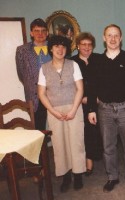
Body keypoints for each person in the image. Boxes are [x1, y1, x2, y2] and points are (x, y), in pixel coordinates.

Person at [88, 24, 125, 193]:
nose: (112, 39)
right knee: (108, 146)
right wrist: (91, 109)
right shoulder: (96, 61)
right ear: (104, 38)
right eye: (109, 35)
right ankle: (112, 177)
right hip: (105, 110)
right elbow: (91, 87)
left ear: (121, 38)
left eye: (116, 35)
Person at [38, 35, 86, 192]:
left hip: (74, 109)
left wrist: (73, 110)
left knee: (76, 142)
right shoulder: (44, 68)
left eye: (63, 46)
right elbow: (41, 93)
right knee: (59, 145)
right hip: (54, 111)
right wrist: (53, 112)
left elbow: (80, 89)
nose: (60, 49)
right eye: (56, 46)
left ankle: (78, 175)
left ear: (67, 49)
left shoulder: (73, 65)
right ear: (51, 48)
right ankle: (66, 177)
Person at [71, 32, 102, 177]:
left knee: (95, 133)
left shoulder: (99, 59)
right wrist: (82, 97)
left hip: (98, 102)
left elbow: (105, 81)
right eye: (83, 44)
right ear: (78, 46)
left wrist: (99, 97)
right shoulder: (72, 62)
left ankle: (92, 159)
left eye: (89, 45)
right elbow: (69, 85)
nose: (87, 47)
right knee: (83, 133)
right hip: (80, 103)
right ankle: (85, 162)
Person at [16, 18, 52, 130]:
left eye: (43, 30)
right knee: (38, 128)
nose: (40, 34)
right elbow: (22, 74)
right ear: (31, 33)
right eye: (36, 30)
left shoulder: (55, 48)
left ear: (47, 33)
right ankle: (42, 147)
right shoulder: (22, 50)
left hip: (54, 93)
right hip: (34, 96)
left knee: (57, 126)